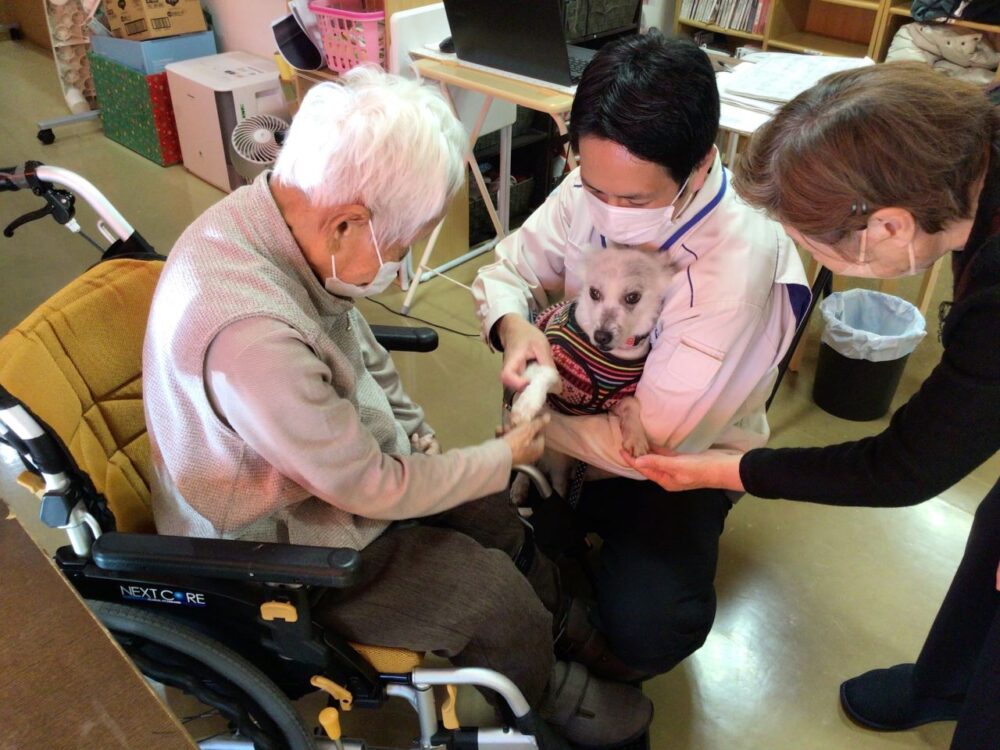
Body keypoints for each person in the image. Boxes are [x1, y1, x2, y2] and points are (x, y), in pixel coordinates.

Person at [142, 67, 652, 748]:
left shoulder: (284, 223)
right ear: (347, 221)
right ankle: (545, 694)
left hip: (327, 467)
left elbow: (355, 341)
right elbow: (367, 487)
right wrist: (500, 454)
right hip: (271, 544)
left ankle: (564, 632)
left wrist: (421, 438)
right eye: (404, 245)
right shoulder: (249, 335)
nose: (402, 266)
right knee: (486, 596)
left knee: (496, 516)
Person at [624, 62, 1000, 749]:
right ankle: (942, 683)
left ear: (888, 226)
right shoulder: (977, 134)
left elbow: (904, 467)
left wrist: (729, 470)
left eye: (815, 242)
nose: (806, 253)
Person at [472, 31, 808, 679]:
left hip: (681, 462)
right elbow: (510, 266)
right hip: (579, 411)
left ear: (701, 165)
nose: (607, 211)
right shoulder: (594, 182)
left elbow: (655, 445)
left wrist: (531, 420)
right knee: (519, 542)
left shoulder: (736, 261)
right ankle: (558, 517)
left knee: (650, 626)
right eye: (593, 186)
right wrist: (515, 327)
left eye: (633, 201)